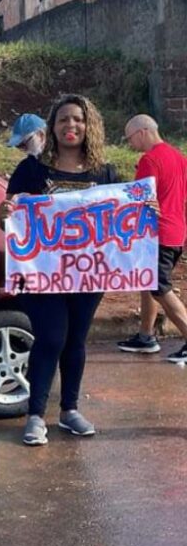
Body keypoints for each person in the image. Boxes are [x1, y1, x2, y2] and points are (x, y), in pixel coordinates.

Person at [0, 94, 118, 446]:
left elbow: (121, 220)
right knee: (51, 337)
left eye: (78, 119)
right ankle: (35, 415)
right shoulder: (32, 170)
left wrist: (145, 210)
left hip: (87, 274)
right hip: (41, 274)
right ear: (52, 127)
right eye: (63, 119)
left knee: (76, 341)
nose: (71, 126)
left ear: (89, 124)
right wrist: (7, 217)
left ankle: (69, 411)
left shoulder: (105, 172)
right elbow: (11, 225)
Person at [117, 114, 187, 362]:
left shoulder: (150, 160)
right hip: (177, 231)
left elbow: (136, 198)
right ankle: (146, 336)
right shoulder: (179, 157)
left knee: (160, 288)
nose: (130, 144)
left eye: (130, 139)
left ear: (142, 132)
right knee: (149, 283)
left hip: (158, 233)